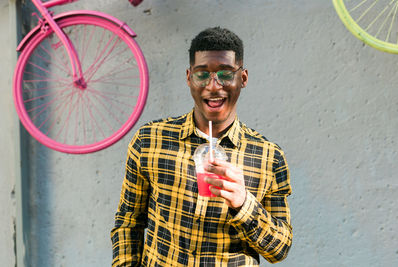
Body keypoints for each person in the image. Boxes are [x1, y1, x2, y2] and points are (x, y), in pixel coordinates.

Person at [111, 26, 292, 266]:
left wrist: (243, 202)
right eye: (202, 74)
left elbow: (279, 250)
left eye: (226, 74)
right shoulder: (149, 140)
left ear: (243, 78)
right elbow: (127, 223)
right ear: (189, 78)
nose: (214, 86)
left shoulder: (269, 157)